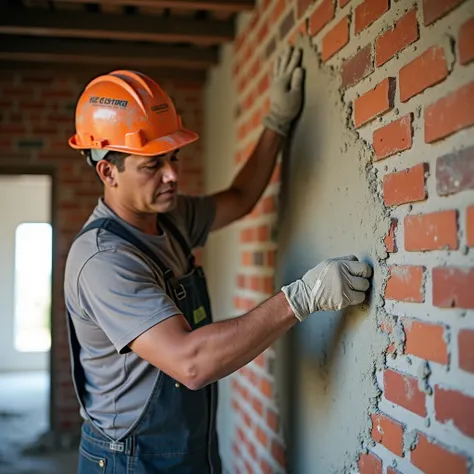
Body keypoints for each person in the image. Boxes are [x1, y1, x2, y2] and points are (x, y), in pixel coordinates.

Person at [64, 46, 372, 474]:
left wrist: (277, 123)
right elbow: (191, 363)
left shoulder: (168, 217)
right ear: (108, 172)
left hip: (189, 444)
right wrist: (302, 298)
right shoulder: (103, 261)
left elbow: (241, 198)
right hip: (131, 459)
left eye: (174, 157)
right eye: (152, 165)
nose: (172, 175)